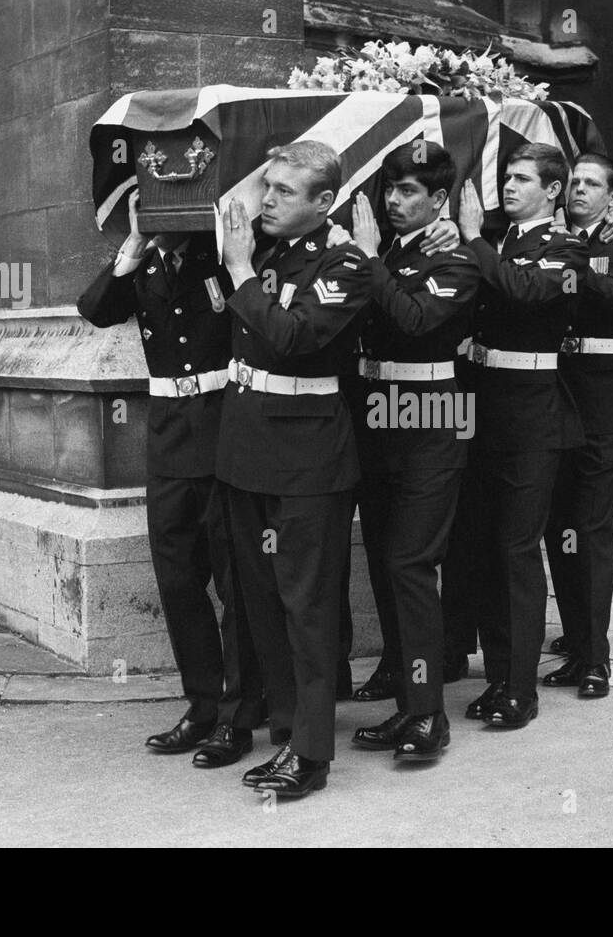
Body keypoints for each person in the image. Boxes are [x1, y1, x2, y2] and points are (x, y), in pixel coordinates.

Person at [77, 190, 263, 768]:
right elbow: (96, 309)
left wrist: (237, 256)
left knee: (237, 582)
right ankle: (202, 705)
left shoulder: (225, 253)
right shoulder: (148, 261)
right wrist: (134, 241)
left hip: (223, 429)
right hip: (168, 438)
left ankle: (239, 714)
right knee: (179, 580)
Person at [217, 140, 374, 798]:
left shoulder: (344, 265)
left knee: (305, 609)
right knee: (260, 606)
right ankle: (286, 734)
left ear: (324, 202)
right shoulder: (269, 252)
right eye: (269, 186)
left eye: (284, 190)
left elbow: (291, 340)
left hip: (309, 462)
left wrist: (240, 272)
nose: (269, 198)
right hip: (248, 452)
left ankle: (311, 757)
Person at [342, 141, 482, 759]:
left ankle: (430, 716)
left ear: (440, 200)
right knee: (384, 560)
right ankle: (407, 699)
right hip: (379, 417)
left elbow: (414, 321)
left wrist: (370, 259)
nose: (393, 202)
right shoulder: (390, 253)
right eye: (390, 190)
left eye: (408, 193)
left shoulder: (456, 258)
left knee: (410, 563)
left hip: (434, 416)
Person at [442, 143, 588, 729]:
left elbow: (525, 293)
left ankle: (520, 689)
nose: (509, 186)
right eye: (507, 176)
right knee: (480, 549)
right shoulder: (496, 242)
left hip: (532, 417)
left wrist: (473, 239)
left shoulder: (568, 248)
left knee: (518, 550)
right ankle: (499, 676)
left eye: (523, 179)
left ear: (553, 192)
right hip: (483, 411)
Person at [540, 153, 613, 698]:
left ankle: (596, 657)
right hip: (555, 394)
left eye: (591, 184)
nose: (578, 191)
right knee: (557, 527)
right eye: (574, 183)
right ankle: (574, 643)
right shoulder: (556, 238)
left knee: (592, 528)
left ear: (612, 196)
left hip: (608, 400)